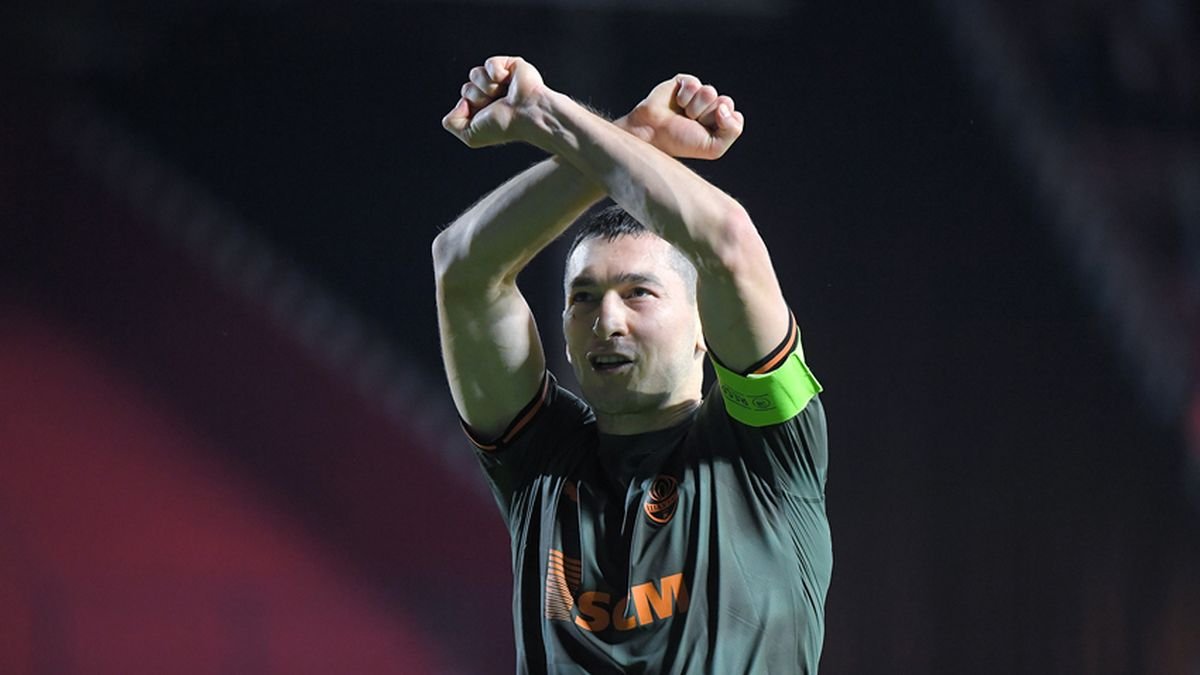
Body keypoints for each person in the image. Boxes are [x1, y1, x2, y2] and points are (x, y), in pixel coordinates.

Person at [433, 55, 831, 674]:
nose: (608, 321)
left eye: (639, 293)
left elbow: (726, 239)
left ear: (704, 326)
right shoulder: (540, 462)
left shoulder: (766, 447)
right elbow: (461, 265)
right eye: (584, 298)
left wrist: (547, 112)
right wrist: (635, 132)